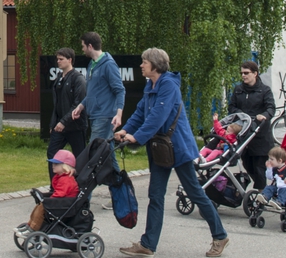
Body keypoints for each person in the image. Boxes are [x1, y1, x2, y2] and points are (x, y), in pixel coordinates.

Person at [114, 48, 229, 258]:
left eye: (144, 62)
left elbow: (158, 116)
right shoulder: (151, 85)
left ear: (155, 65)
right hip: (161, 149)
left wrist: (136, 137)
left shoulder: (168, 85)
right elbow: (141, 112)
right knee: (155, 195)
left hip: (178, 147)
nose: (141, 65)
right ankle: (148, 245)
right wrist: (126, 129)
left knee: (194, 192)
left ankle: (220, 236)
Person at [70, 33, 124, 171]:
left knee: (93, 153)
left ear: (90, 46)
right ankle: (121, 184)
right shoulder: (92, 64)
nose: (82, 49)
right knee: (108, 156)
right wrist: (81, 106)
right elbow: (93, 92)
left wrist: (119, 114)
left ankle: (83, 185)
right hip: (95, 115)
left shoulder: (108, 65)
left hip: (104, 116)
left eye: (83, 46)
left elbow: (120, 90)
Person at [227, 61, 275, 192]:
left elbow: (271, 108)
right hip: (244, 134)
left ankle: (261, 193)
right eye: (242, 73)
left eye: (246, 73)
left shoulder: (264, 90)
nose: (243, 75)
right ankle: (262, 191)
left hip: (260, 135)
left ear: (255, 73)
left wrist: (264, 115)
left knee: (259, 168)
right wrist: (241, 114)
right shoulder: (239, 90)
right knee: (248, 164)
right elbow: (232, 106)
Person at [48, 47, 87, 177]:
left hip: (75, 126)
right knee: (52, 154)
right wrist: (53, 123)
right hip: (59, 126)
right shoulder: (59, 78)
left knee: (80, 157)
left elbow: (78, 104)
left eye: (61, 59)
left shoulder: (78, 79)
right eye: (57, 59)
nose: (58, 61)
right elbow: (57, 104)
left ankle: (79, 185)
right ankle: (55, 185)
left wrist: (64, 122)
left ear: (70, 60)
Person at [23, 149, 80, 232]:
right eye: (53, 163)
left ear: (65, 166)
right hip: (63, 202)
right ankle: (30, 224)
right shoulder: (61, 177)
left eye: (56, 164)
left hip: (65, 205)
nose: (53, 165)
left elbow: (60, 193)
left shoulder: (66, 180)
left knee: (42, 206)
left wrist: (49, 200)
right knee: (39, 205)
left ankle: (33, 227)